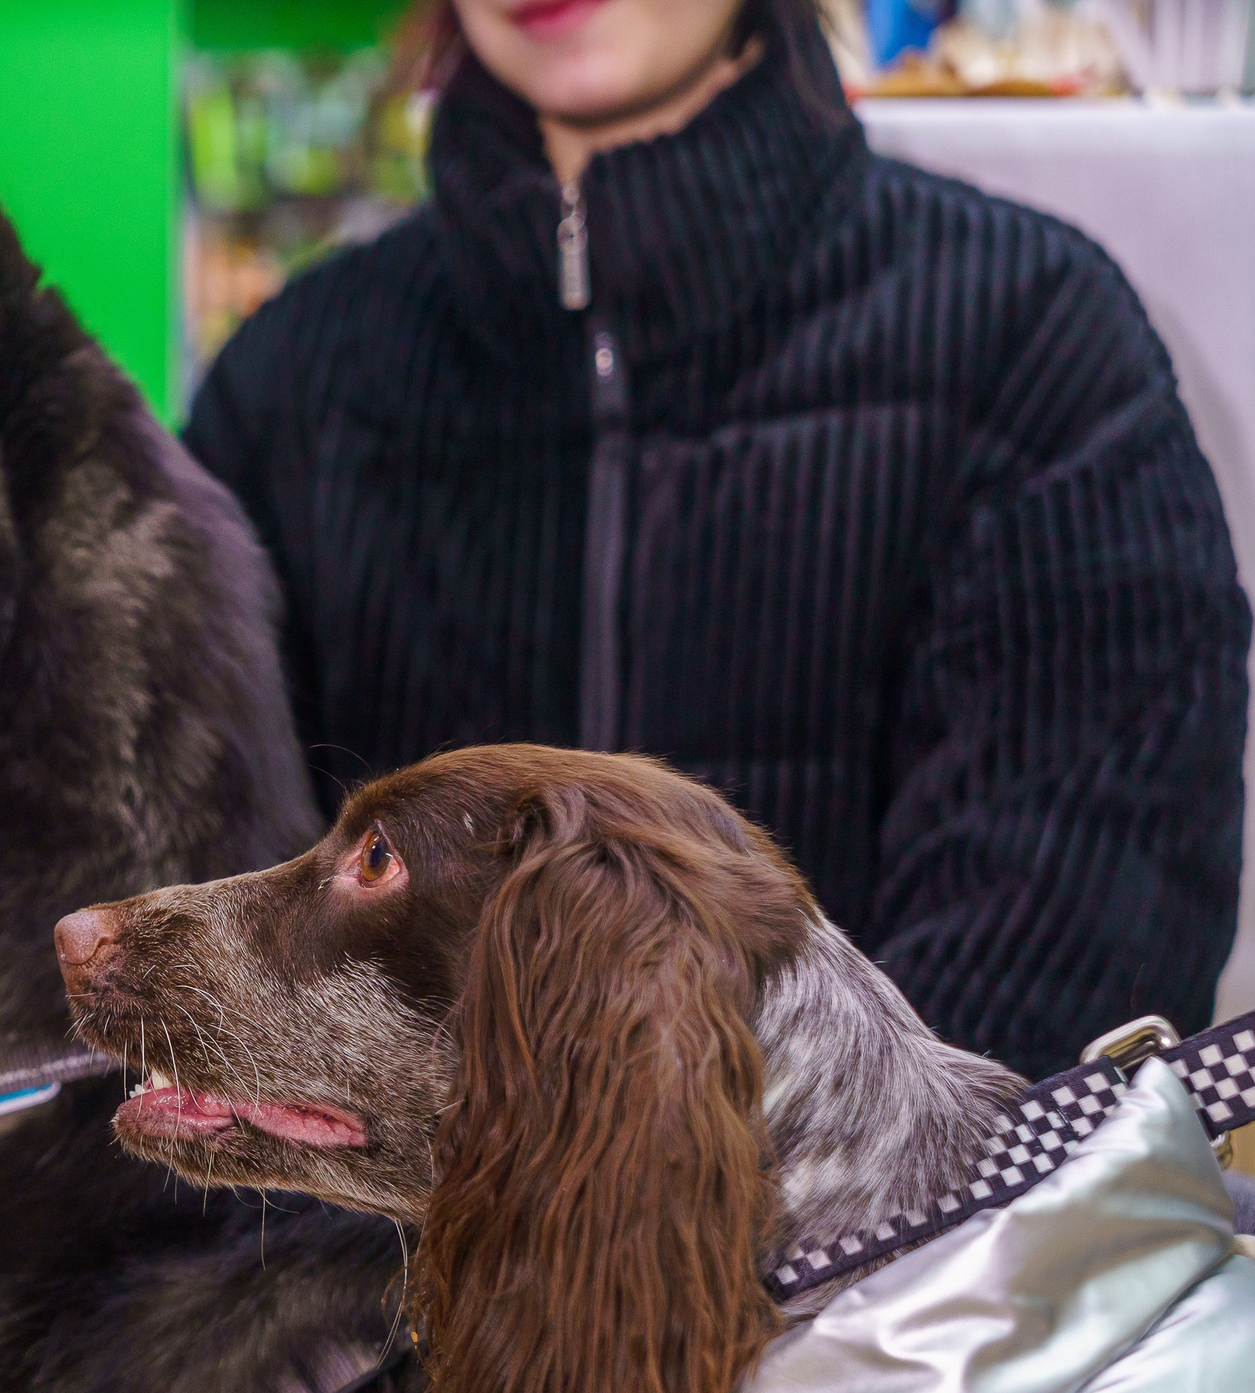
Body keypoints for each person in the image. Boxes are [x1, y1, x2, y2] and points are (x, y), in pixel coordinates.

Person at [184, 0, 1249, 1081]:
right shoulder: (286, 391)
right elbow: (203, 937)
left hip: (912, 1244)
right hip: (385, 1250)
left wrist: (730, 1216)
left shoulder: (1029, 345)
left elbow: (1070, 948)